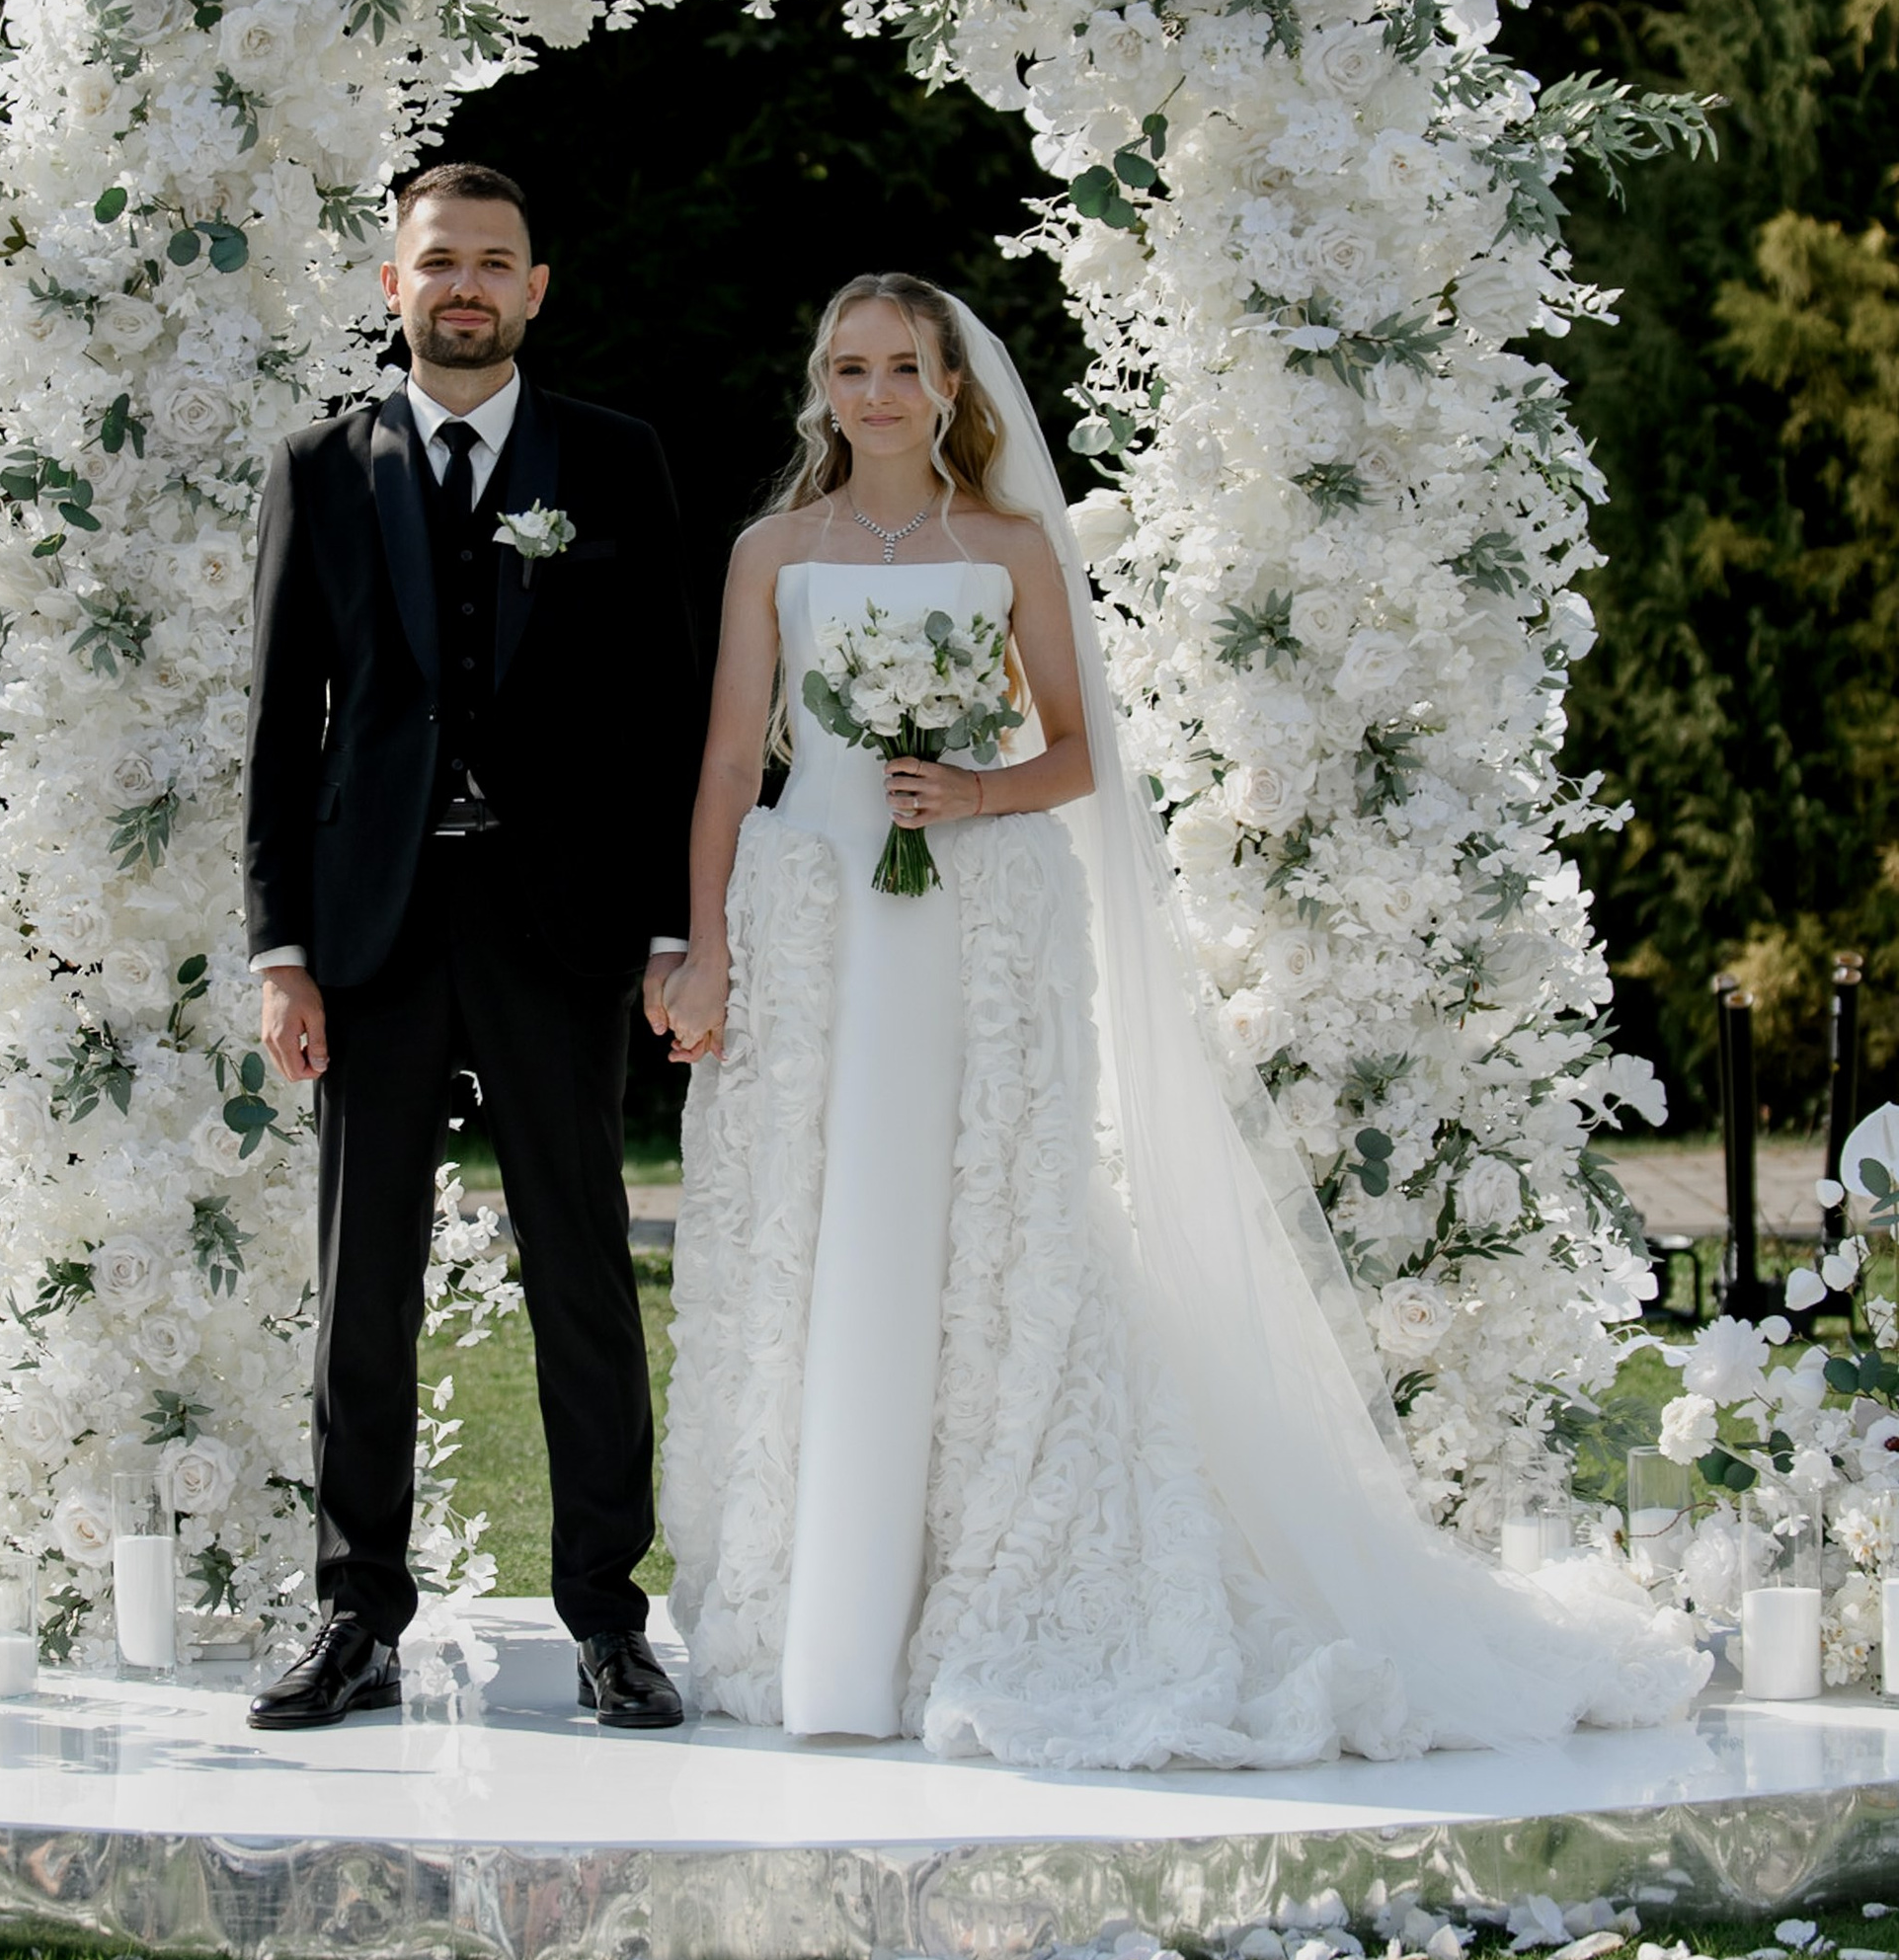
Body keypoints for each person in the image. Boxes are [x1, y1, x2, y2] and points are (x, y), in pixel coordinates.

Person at [657, 273, 1705, 1764]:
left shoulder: (1010, 547)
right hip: (819, 920)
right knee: (821, 1231)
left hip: (972, 925)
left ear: (951, 385)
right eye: (850, 368)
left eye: (902, 367)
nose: (875, 394)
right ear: (821, 386)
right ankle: (824, 1616)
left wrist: (971, 789)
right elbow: (724, 761)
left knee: (983, 1229)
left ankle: (973, 1584)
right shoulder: (775, 550)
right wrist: (708, 947)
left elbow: (1082, 753)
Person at [242, 162, 701, 1729]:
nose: (465, 286)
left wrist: (671, 928)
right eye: (439, 260)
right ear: (394, 284)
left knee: (582, 1268)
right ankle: (355, 1614)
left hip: (558, 928)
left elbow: (664, 714)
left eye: (494, 262)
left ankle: (608, 1618)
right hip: (369, 929)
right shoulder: (318, 467)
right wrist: (280, 951)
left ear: (535, 288)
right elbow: (279, 729)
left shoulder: (614, 459)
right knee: (360, 1282)